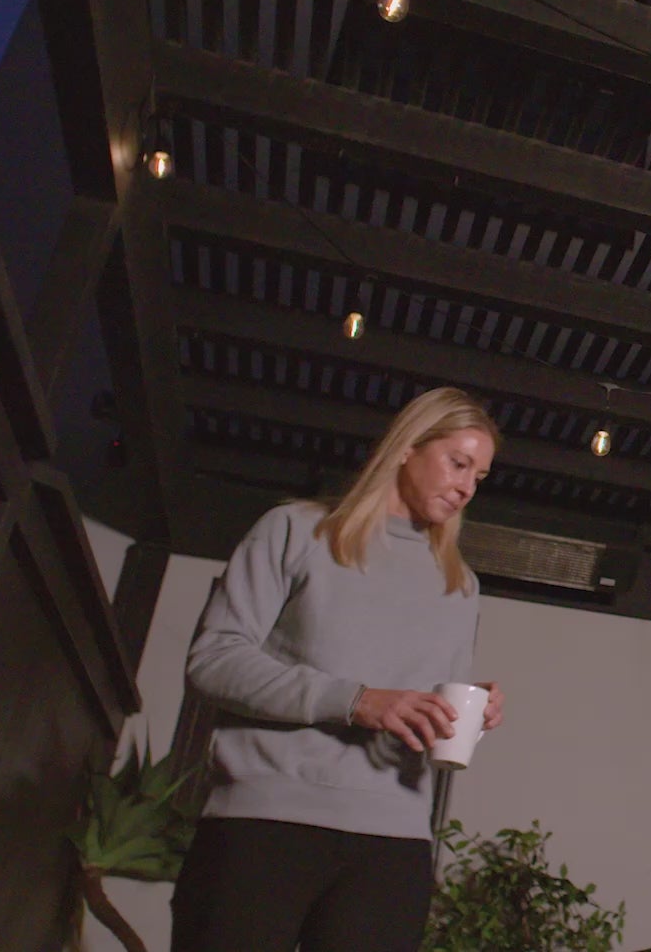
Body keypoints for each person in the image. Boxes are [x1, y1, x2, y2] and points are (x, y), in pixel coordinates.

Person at [171, 387, 506, 952]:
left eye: (480, 476)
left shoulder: (460, 584)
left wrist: (472, 714)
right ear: (407, 447)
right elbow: (214, 660)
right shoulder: (295, 530)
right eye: (458, 463)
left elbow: (427, 722)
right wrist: (356, 700)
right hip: (264, 824)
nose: (467, 487)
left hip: (394, 845)